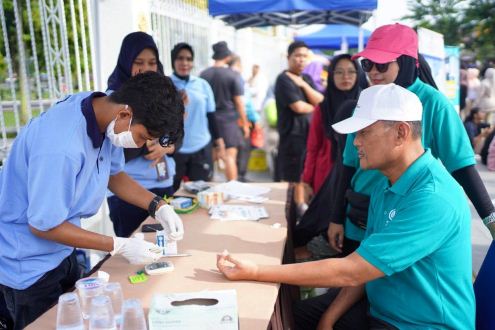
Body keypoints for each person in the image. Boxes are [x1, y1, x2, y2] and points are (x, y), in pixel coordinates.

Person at [217, 84, 475, 330]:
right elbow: (365, 263)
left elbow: (353, 271)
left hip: (421, 324)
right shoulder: (386, 184)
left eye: (364, 132)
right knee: (289, 317)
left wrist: (256, 271)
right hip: (380, 310)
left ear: (401, 132)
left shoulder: (433, 198)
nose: (355, 142)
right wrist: (328, 318)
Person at [0, 72, 185, 329]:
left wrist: (158, 206)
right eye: (143, 137)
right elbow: (43, 225)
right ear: (124, 115)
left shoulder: (104, 112)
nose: (141, 145)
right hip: (28, 267)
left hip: (62, 252)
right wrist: (118, 245)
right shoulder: (61, 148)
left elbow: (115, 175)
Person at [327, 23, 495, 261]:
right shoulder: (366, 101)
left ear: (405, 62)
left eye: (382, 64)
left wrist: (490, 219)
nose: (373, 71)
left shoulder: (434, 103)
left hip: (405, 221)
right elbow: (346, 166)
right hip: (359, 217)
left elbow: (462, 167)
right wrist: (336, 217)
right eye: (367, 64)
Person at [106, 32, 177, 237]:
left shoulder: (163, 93)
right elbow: (113, 151)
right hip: (128, 191)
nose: (146, 69)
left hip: (164, 182)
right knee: (134, 251)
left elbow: (176, 137)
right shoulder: (113, 100)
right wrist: (148, 141)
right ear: (126, 62)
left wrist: (167, 145)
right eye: (139, 62)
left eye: (152, 62)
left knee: (167, 245)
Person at [274, 41, 324, 215]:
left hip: (309, 136)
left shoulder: (307, 79)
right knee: (292, 178)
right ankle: (292, 213)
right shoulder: (283, 80)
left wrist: (303, 85)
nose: (301, 60)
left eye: (304, 56)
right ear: (288, 58)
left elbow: (321, 101)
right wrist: (317, 108)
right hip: (292, 137)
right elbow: (298, 107)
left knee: (304, 175)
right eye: (297, 55)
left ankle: (300, 209)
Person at [301, 54, 361, 194]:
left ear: (358, 74)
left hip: (357, 174)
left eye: (351, 71)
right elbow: (313, 147)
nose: (345, 76)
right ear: (331, 75)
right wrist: (307, 180)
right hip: (326, 174)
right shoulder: (323, 108)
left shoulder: (367, 105)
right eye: (339, 72)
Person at [170, 42, 225, 190]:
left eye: (188, 59)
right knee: (171, 195)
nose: (184, 63)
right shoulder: (166, 84)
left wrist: (219, 144)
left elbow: (211, 116)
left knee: (202, 194)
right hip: (174, 149)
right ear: (173, 61)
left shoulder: (203, 85)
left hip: (201, 147)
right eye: (180, 58)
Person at [200, 41, 249, 181]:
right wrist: (245, 123)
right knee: (230, 157)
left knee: (211, 158)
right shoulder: (233, 75)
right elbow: (239, 101)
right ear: (227, 57)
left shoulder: (203, 74)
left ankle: (208, 191)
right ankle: (232, 190)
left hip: (209, 120)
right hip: (228, 121)